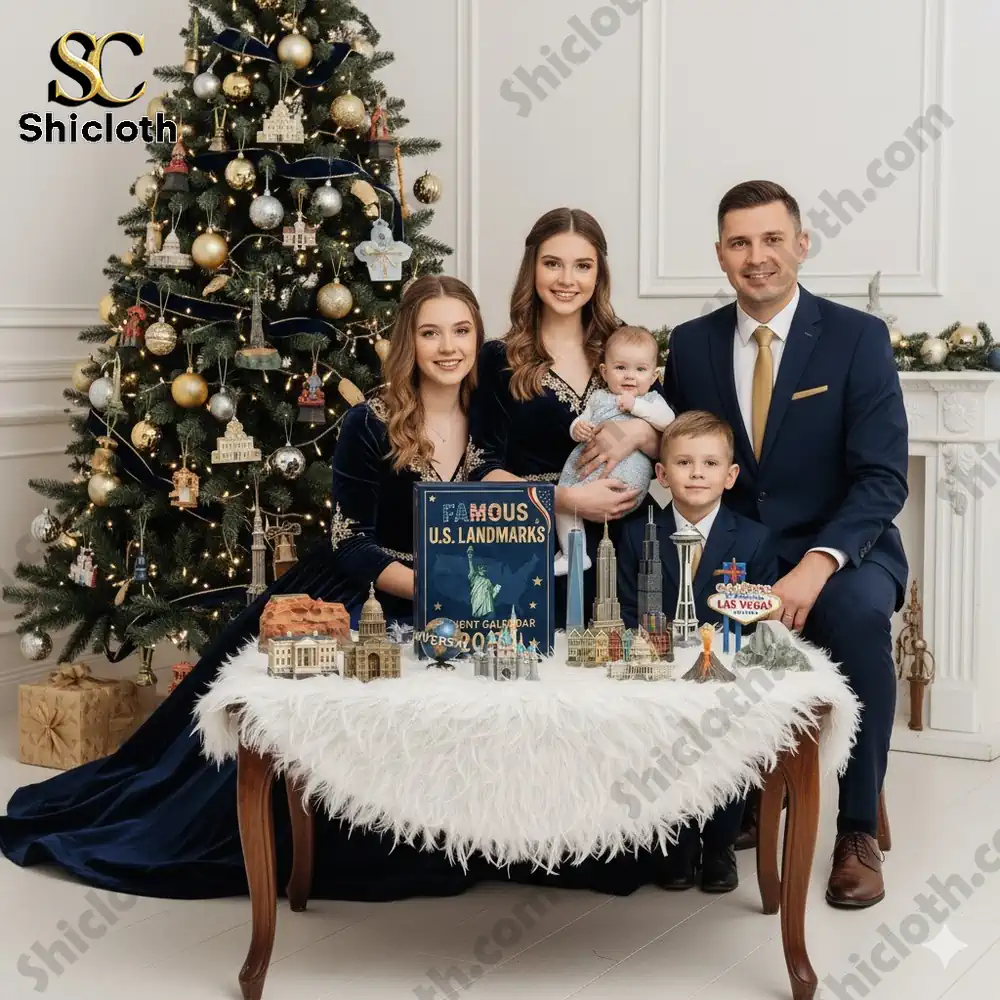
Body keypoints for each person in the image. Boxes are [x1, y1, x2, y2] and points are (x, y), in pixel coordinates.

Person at [0, 275, 492, 900]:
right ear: (407, 343)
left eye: (461, 330)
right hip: (362, 595)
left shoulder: (489, 420)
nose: (448, 346)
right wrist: (431, 589)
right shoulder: (370, 423)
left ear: (478, 337)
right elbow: (351, 543)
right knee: (231, 771)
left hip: (458, 598)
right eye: (430, 332)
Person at [662, 179, 908, 909]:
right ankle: (724, 805)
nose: (757, 257)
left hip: (841, 553)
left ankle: (857, 829)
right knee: (673, 620)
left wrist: (812, 569)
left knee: (862, 621)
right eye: (740, 243)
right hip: (738, 558)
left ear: (803, 244)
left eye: (773, 240)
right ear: (720, 255)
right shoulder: (693, 344)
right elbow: (687, 452)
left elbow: (881, 477)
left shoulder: (856, 338)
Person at [469, 207, 660, 620]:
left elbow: (673, 436)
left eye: (583, 266)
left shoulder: (626, 347)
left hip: (628, 539)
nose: (567, 280)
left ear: (599, 274)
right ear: (532, 269)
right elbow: (482, 468)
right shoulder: (499, 358)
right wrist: (569, 498)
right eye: (552, 263)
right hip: (540, 540)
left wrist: (638, 436)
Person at [617, 410, 777, 893]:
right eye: (683, 463)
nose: (697, 473)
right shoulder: (634, 534)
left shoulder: (754, 538)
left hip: (724, 674)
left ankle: (722, 845)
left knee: (727, 741)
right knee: (665, 747)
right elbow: (627, 608)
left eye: (710, 463)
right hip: (660, 670)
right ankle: (678, 843)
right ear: (662, 475)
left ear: (730, 476)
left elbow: (759, 616)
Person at [553, 325, 674, 575]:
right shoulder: (599, 397)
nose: (630, 376)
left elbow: (668, 423)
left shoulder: (651, 401)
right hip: (583, 477)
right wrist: (578, 429)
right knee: (563, 504)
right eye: (621, 368)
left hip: (626, 482)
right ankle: (572, 553)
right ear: (605, 372)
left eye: (640, 370)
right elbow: (581, 419)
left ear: (653, 377)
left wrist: (637, 408)